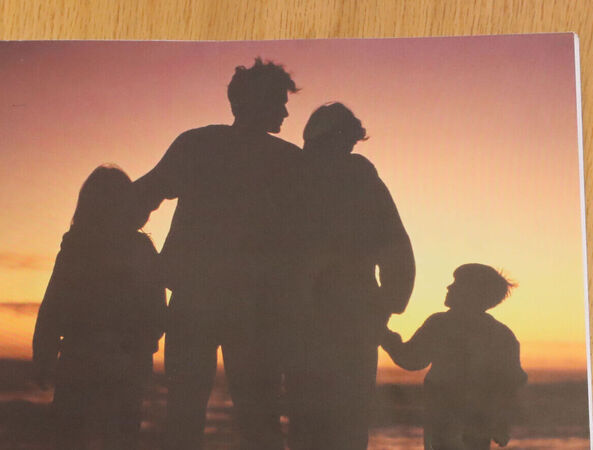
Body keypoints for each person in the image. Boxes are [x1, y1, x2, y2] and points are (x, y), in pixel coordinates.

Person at [131, 58, 301, 450]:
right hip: (250, 308)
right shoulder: (287, 161)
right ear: (254, 102)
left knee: (188, 413)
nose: (285, 111)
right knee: (256, 417)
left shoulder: (200, 143)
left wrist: (102, 230)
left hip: (208, 300)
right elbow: (147, 193)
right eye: (279, 101)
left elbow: (144, 194)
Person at [287, 103, 415, 450]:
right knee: (337, 419)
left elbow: (395, 247)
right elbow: (397, 246)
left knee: (322, 419)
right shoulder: (300, 178)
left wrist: (388, 303)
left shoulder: (353, 180)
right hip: (326, 316)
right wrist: (387, 303)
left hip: (337, 315)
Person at [32, 165, 166, 450]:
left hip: (83, 359)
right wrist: (142, 347)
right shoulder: (138, 249)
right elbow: (156, 311)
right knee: (118, 438)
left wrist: (44, 355)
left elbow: (53, 306)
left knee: (71, 437)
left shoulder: (77, 247)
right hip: (121, 363)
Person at [381, 264, 528, 450]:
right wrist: (502, 422)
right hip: (478, 422)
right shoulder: (502, 334)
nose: (449, 287)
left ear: (472, 293)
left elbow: (412, 359)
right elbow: (511, 383)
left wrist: (384, 335)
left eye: (457, 283)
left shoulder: (440, 324)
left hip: (444, 418)